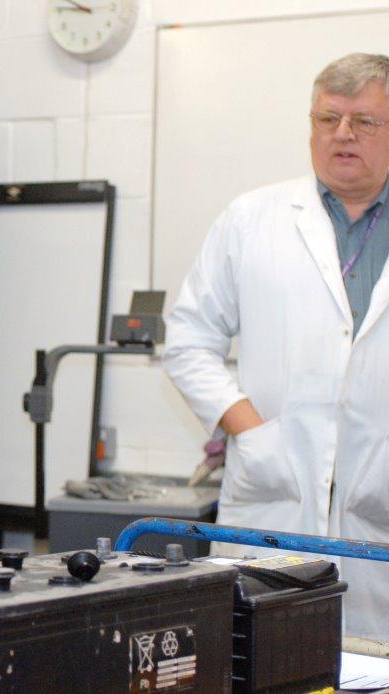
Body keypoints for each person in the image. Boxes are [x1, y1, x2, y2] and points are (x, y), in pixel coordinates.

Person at [163, 52, 389, 639]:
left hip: (380, 504)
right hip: (274, 490)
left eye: (364, 121)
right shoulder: (252, 219)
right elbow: (188, 339)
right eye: (326, 119)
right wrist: (250, 430)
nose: (342, 134)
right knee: (265, 658)